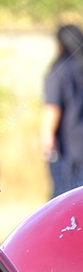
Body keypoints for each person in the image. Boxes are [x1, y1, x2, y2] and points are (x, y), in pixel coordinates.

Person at [40, 24, 83, 197]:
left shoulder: (59, 71)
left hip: (68, 150)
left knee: (65, 200)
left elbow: (52, 107)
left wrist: (46, 137)